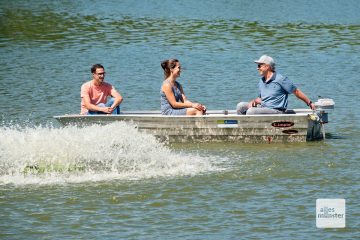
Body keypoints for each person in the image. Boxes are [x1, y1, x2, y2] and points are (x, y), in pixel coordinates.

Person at [236, 55, 315, 115]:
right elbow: (261, 98)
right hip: (264, 108)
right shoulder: (261, 81)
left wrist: (309, 103)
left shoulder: (281, 79)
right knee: (240, 106)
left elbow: (296, 91)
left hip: (277, 111)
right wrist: (254, 101)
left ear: (267, 66)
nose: (257, 68)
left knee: (251, 111)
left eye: (259, 65)